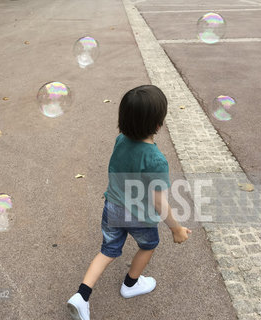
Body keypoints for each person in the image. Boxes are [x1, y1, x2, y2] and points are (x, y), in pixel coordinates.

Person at [67, 85, 192, 320]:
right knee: (148, 245)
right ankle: (130, 284)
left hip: (113, 208)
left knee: (107, 251)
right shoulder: (156, 160)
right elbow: (159, 203)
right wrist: (176, 229)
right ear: (158, 124)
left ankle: (81, 296)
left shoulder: (120, 140)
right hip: (140, 217)